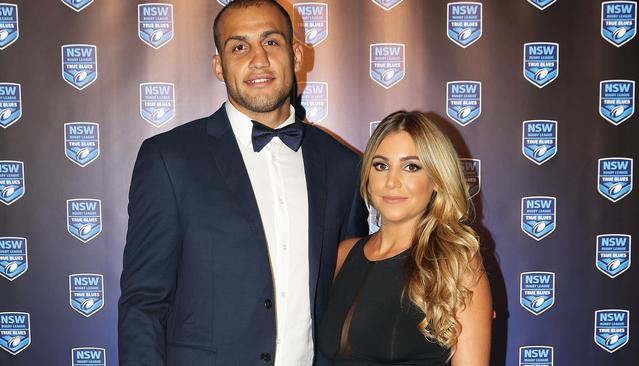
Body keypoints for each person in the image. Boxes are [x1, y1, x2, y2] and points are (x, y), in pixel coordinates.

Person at [118, 1, 368, 365]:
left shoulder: (344, 165)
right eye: (239, 46)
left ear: (296, 54)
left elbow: (347, 296)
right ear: (219, 66)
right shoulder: (169, 160)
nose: (258, 59)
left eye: (271, 42)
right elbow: (143, 303)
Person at [319, 111, 492, 365]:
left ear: (436, 179)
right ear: (368, 177)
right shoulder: (343, 255)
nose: (392, 182)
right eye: (381, 166)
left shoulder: (456, 264)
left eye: (411, 167)